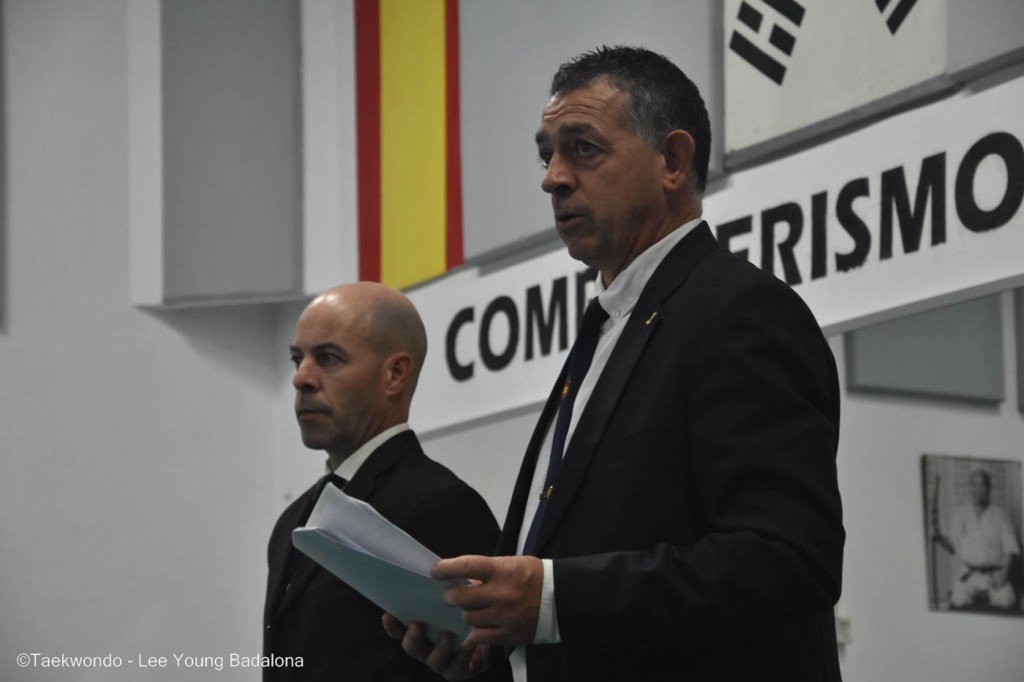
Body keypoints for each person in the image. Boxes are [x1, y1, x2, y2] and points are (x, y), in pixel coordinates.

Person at [385, 46, 845, 681]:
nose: (553, 178)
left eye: (583, 149)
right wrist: (495, 650)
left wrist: (553, 599)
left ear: (673, 161)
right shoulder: (610, 324)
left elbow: (789, 561)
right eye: (546, 155)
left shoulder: (741, 312)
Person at [264, 282, 500, 682]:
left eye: (328, 358)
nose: (301, 378)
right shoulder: (292, 520)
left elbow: (491, 665)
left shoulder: (441, 505)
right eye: (297, 359)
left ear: (394, 374)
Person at [935, 469, 1021, 609]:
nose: (978, 489)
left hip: (995, 573)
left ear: (989, 488)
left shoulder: (1001, 516)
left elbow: (1012, 550)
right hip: (969, 573)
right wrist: (940, 538)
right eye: (974, 484)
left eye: (982, 485)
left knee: (1008, 601)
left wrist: (1003, 573)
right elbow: (952, 547)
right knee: (958, 601)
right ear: (970, 488)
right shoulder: (960, 514)